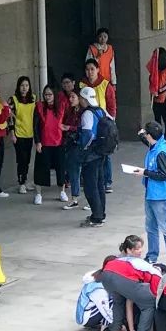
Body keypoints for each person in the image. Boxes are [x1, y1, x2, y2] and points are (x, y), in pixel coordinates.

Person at [94, 235, 159, 331]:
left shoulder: (118, 259)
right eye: (137, 249)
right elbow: (156, 279)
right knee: (148, 305)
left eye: (141, 248)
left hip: (107, 275)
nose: (140, 251)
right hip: (122, 279)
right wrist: (155, 296)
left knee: (118, 302)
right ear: (128, 250)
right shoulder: (140, 263)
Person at [132, 122, 166, 265]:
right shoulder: (156, 145)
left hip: (160, 196)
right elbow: (146, 141)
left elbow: (164, 174)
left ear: (150, 136)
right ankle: (152, 255)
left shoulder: (161, 152)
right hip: (151, 192)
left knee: (165, 228)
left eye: (146, 134)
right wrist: (141, 134)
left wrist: (145, 172)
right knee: (151, 227)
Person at [83, 58, 118, 193]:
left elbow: (112, 105)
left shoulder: (105, 84)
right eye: (87, 69)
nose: (90, 72)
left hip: (103, 123)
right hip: (90, 121)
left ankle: (107, 181)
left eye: (92, 69)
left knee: (105, 152)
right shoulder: (82, 84)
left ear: (98, 69)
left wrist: (111, 123)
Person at [78, 86, 109, 228]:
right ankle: (101, 214)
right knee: (100, 184)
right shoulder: (101, 111)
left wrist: (83, 149)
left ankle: (96, 217)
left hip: (91, 154)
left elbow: (88, 134)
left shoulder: (87, 114)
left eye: (80, 98)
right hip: (102, 152)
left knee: (91, 186)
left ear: (85, 99)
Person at [34, 84, 68, 205]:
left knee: (61, 168)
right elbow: (35, 126)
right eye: (45, 94)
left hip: (59, 143)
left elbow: (65, 123)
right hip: (44, 143)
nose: (47, 97)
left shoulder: (61, 107)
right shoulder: (39, 106)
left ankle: (62, 191)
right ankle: (38, 193)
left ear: (54, 95)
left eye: (50, 94)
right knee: (40, 168)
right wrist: (37, 141)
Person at [10, 76, 37, 195]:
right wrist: (12, 134)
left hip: (29, 134)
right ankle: (21, 183)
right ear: (18, 87)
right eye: (22, 85)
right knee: (21, 159)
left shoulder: (33, 98)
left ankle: (25, 181)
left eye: (26, 85)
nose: (24, 88)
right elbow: (9, 118)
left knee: (27, 160)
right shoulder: (13, 99)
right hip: (18, 134)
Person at [76, 258, 115, 331]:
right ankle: (107, 329)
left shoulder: (99, 275)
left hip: (87, 311)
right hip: (87, 318)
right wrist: (118, 325)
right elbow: (105, 309)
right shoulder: (99, 289)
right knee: (114, 300)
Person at [60, 89, 84, 210]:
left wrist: (69, 127)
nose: (70, 99)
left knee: (84, 174)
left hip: (80, 145)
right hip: (71, 144)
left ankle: (90, 201)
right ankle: (75, 198)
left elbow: (82, 128)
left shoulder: (84, 112)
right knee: (73, 172)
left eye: (73, 97)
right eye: (70, 97)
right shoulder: (70, 111)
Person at [148, 48, 166, 141]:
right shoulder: (155, 69)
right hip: (155, 96)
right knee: (157, 118)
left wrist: (159, 90)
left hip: (165, 97)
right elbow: (151, 79)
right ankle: (159, 137)